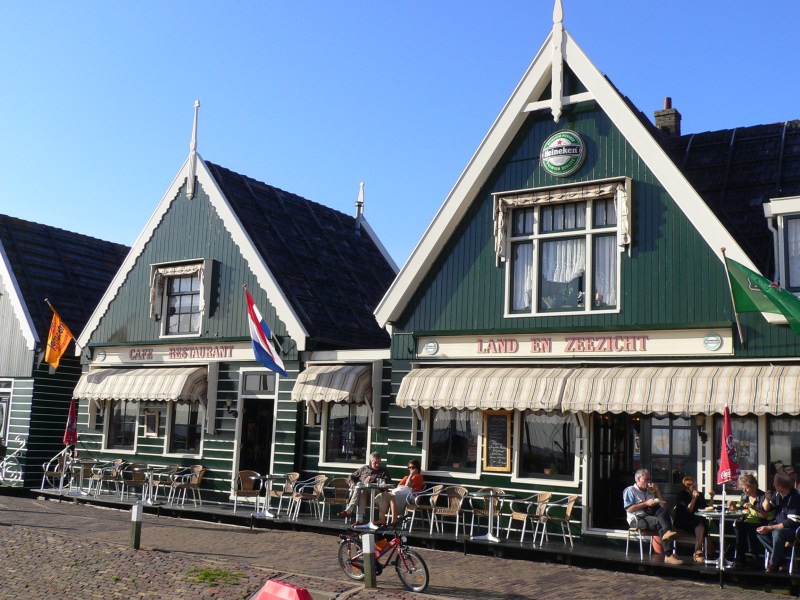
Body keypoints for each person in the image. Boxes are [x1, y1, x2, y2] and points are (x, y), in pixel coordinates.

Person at [623, 468, 682, 565]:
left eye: (649, 479)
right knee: (661, 523)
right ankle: (669, 555)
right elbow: (629, 509)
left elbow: (664, 505)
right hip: (637, 518)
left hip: (650, 515)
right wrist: (646, 504)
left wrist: (658, 491)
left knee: (664, 510)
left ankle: (668, 538)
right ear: (638, 479)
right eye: (646, 479)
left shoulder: (650, 490)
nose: (649, 481)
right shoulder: (630, 490)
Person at [757, 472, 800, 572]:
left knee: (777, 534)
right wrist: (767, 499)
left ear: (780, 486)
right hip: (777, 527)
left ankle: (773, 564)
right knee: (760, 532)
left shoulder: (795, 497)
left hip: (793, 530)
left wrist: (770, 528)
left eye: (775, 484)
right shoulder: (777, 495)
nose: (773, 485)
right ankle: (782, 561)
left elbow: (792, 521)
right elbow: (767, 509)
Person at [731, 472, 773, 570]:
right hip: (746, 522)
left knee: (748, 528)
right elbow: (739, 509)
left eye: (747, 488)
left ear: (754, 486)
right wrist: (732, 505)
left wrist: (753, 507)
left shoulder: (763, 497)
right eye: (743, 488)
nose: (744, 490)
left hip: (760, 523)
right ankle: (740, 559)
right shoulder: (744, 496)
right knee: (738, 525)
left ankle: (754, 558)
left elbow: (767, 516)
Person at [337, 451, 392, 523]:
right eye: (375, 462)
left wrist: (374, 478)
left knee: (360, 486)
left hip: (377, 495)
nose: (377, 464)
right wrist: (353, 484)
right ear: (371, 461)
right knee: (362, 489)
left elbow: (388, 482)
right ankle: (360, 519)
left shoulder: (383, 471)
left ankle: (349, 510)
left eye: (379, 462)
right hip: (364, 495)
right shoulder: (364, 469)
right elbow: (351, 476)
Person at [674, 476, 714, 563]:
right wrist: (694, 498)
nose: (696, 488)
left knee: (701, 522)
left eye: (696, 486)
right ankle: (697, 551)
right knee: (700, 523)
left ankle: (703, 552)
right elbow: (688, 511)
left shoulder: (700, 495)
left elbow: (706, 508)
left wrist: (711, 497)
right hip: (683, 520)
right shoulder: (681, 495)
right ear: (687, 488)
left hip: (697, 520)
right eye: (694, 487)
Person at [372, 459, 425, 525]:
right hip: (399, 494)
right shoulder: (406, 477)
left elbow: (407, 486)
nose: (411, 469)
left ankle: (395, 519)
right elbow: (399, 487)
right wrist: (409, 477)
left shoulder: (419, 477)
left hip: (412, 497)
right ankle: (382, 519)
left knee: (392, 498)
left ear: (417, 468)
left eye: (413, 467)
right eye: (409, 467)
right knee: (381, 496)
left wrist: (411, 475)